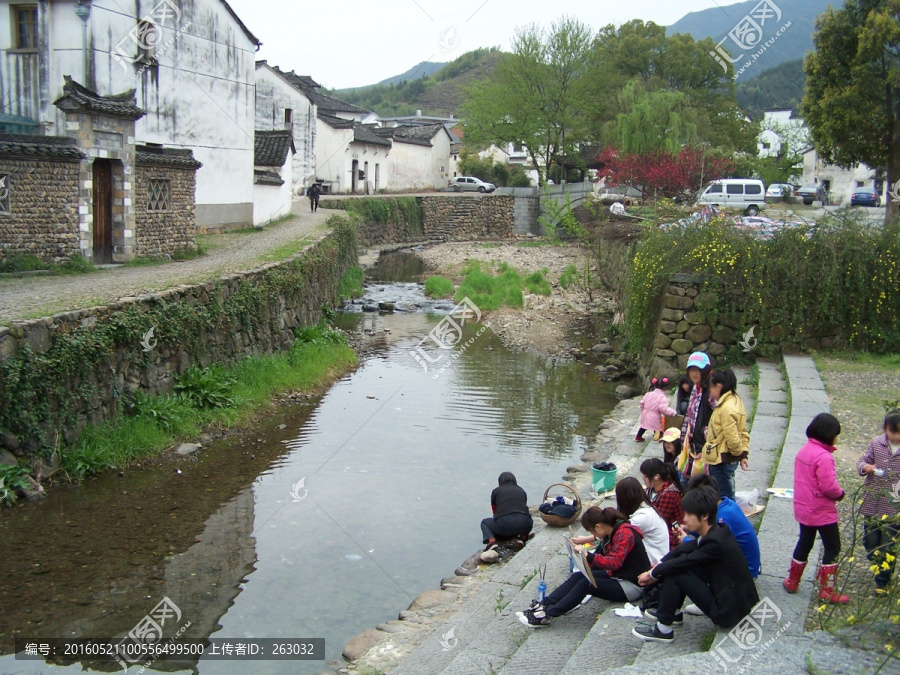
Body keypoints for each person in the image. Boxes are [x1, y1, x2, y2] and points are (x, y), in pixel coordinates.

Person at [632, 487, 760, 643]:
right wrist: (658, 566)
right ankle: (672, 612)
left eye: (688, 514)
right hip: (737, 603)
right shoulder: (718, 530)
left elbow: (684, 561)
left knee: (677, 571)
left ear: (705, 516)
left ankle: (663, 629)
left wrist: (652, 574)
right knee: (679, 562)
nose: (684, 519)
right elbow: (687, 548)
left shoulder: (715, 543)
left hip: (727, 612)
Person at [518, 507, 651, 627]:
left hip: (633, 585)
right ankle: (544, 604)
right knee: (579, 576)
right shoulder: (612, 532)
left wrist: (588, 556)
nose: (593, 536)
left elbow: (614, 562)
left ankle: (547, 614)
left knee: (586, 584)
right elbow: (605, 559)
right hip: (618, 576)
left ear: (598, 527)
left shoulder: (624, 534)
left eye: (592, 531)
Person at [782, 413, 848, 603]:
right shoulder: (824, 457)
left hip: (804, 508)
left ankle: (793, 580)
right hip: (821, 511)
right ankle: (827, 589)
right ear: (829, 435)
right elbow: (829, 486)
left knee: (805, 542)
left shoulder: (804, 450)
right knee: (833, 546)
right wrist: (840, 494)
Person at [856, 408, 900, 589]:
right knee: (871, 541)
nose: (897, 436)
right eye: (894, 432)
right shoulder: (876, 444)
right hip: (873, 504)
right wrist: (865, 467)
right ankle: (877, 564)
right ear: (885, 429)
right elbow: (861, 461)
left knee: (888, 544)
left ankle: (883, 581)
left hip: (894, 507)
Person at [686, 474, 760, 579]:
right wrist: (689, 528)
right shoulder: (727, 503)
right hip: (749, 566)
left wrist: (685, 539)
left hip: (744, 573)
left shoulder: (722, 518)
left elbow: (708, 549)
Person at [701, 369, 750, 501]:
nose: (710, 392)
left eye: (711, 388)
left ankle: (725, 521)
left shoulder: (726, 408)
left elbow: (732, 437)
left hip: (721, 459)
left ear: (719, 386)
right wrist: (743, 453)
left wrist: (738, 453)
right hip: (726, 458)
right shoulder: (735, 401)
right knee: (727, 493)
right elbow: (743, 430)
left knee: (724, 498)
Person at [677, 352, 714, 485]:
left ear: (705, 371)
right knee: (685, 479)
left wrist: (705, 433)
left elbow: (716, 416)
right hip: (690, 441)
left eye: (698, 370)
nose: (695, 373)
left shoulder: (710, 391)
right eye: (692, 370)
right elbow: (689, 415)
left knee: (700, 483)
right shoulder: (695, 388)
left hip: (703, 443)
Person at [616, 477, 670, 564]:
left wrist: (589, 539)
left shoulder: (643, 517)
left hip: (654, 563)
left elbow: (616, 532)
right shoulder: (646, 507)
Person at [481, 472, 533, 551]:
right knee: (525, 519)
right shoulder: (521, 490)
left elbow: (494, 510)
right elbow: (524, 507)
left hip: (506, 524)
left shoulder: (496, 491)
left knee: (484, 522)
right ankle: (522, 538)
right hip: (526, 524)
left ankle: (491, 542)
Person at [641, 458, 685, 550]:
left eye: (645, 476)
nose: (643, 479)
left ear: (656, 477)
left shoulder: (669, 494)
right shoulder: (652, 488)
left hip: (671, 534)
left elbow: (658, 520)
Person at [636, 377, 677, 442]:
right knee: (657, 426)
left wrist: (643, 410)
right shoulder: (662, 397)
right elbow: (663, 408)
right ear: (665, 387)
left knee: (644, 426)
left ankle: (638, 437)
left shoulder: (648, 394)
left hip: (645, 413)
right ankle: (659, 435)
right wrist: (672, 412)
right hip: (655, 414)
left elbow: (641, 403)